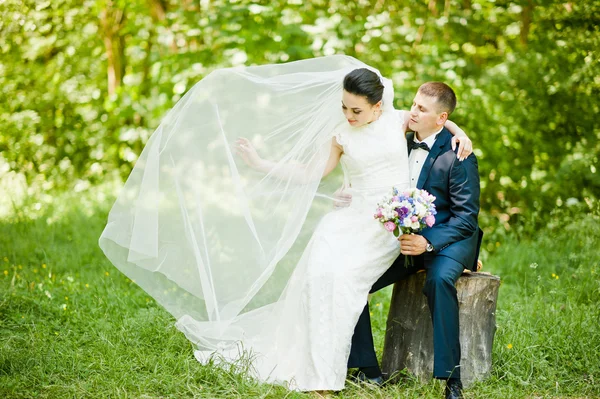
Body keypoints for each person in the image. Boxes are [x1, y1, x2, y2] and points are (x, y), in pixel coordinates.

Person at [98, 55, 471, 393]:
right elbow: (310, 172)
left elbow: (434, 119)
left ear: (377, 106)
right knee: (317, 272)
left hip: (384, 227)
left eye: (356, 110)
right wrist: (260, 163)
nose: (348, 116)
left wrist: (460, 133)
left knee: (342, 280)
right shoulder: (341, 136)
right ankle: (329, 369)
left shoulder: (395, 121)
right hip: (348, 218)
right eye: (344, 107)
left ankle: (338, 372)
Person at [345, 82, 482, 399]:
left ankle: (452, 381)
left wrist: (428, 243)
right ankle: (368, 371)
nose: (413, 111)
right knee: (354, 278)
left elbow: (466, 219)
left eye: (422, 108)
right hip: (405, 241)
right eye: (414, 104)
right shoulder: (400, 143)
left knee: (438, 281)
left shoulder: (459, 154)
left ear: (441, 117)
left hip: (448, 242)